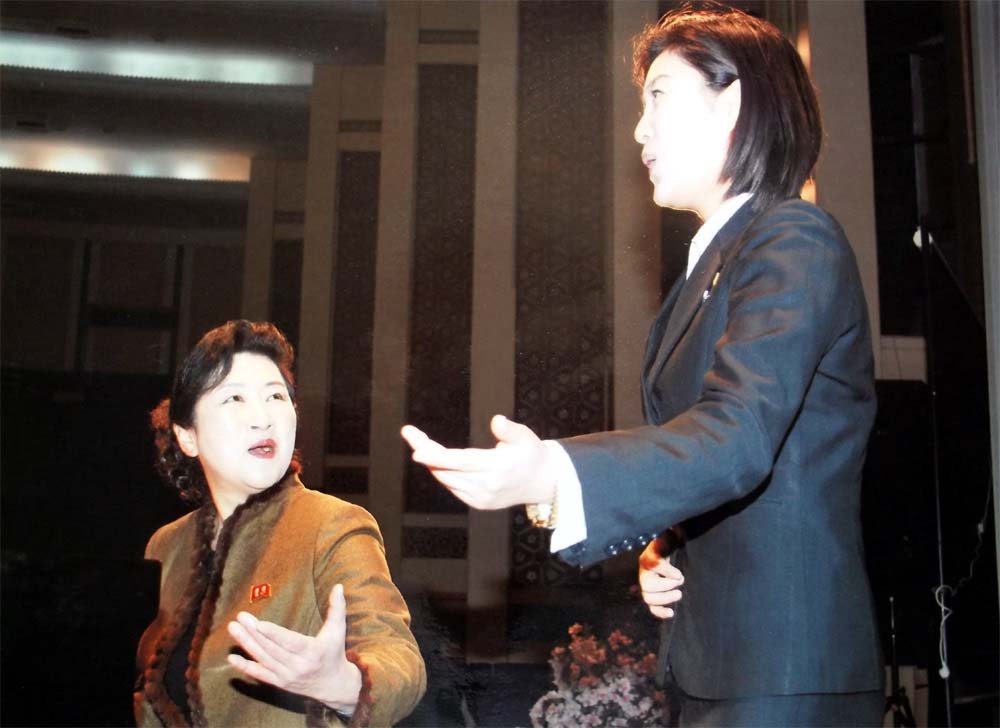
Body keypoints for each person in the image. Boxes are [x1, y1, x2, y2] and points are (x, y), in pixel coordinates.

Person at [401, 4, 884, 725]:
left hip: (784, 671)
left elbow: (739, 435)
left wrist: (555, 471)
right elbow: (723, 460)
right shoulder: (705, 271)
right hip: (720, 666)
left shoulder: (794, 237)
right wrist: (669, 546)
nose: (639, 130)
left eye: (659, 96)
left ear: (733, 104)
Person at [135, 320, 425, 727]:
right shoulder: (165, 546)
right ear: (188, 437)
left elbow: (397, 657)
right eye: (234, 397)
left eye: (275, 396)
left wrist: (343, 684)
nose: (263, 418)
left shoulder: (332, 525)